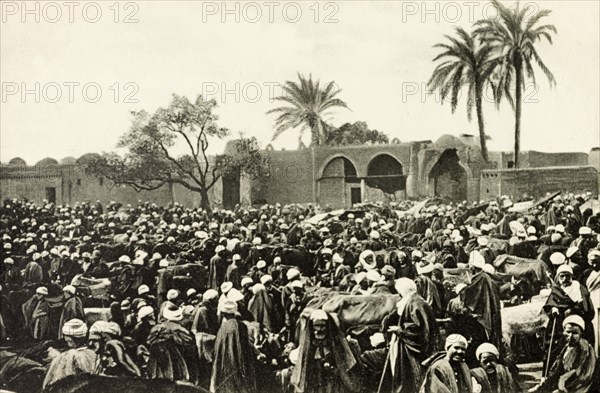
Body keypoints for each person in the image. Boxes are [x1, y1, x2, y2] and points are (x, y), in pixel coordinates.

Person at [380, 278, 438, 393]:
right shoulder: (411, 300)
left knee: (409, 378)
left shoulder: (416, 303)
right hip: (405, 346)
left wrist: (400, 331)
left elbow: (421, 331)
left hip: (411, 350)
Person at [291, 309, 359, 393]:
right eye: (317, 326)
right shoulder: (309, 347)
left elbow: (344, 367)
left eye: (323, 326)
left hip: (332, 385)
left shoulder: (335, 345)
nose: (320, 329)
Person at [532, 315, 597, 393]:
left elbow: (584, 376)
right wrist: (544, 386)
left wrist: (564, 383)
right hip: (565, 384)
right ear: (563, 332)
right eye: (568, 332)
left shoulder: (586, 348)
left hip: (581, 386)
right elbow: (557, 370)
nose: (570, 336)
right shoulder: (566, 348)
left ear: (581, 333)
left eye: (575, 333)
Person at [210, 300, 259, 393]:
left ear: (223, 314)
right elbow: (246, 346)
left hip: (226, 360)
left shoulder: (223, 328)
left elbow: (218, 348)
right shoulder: (242, 326)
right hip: (240, 360)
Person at [146, 303, 200, 384]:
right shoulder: (183, 330)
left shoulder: (156, 329)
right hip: (180, 369)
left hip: (159, 369)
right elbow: (191, 352)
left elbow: (149, 342)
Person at [43, 319, 97, 388]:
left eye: (65, 336)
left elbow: (58, 380)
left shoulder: (70, 355)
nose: (64, 338)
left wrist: (57, 357)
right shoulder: (92, 353)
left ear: (70, 338)